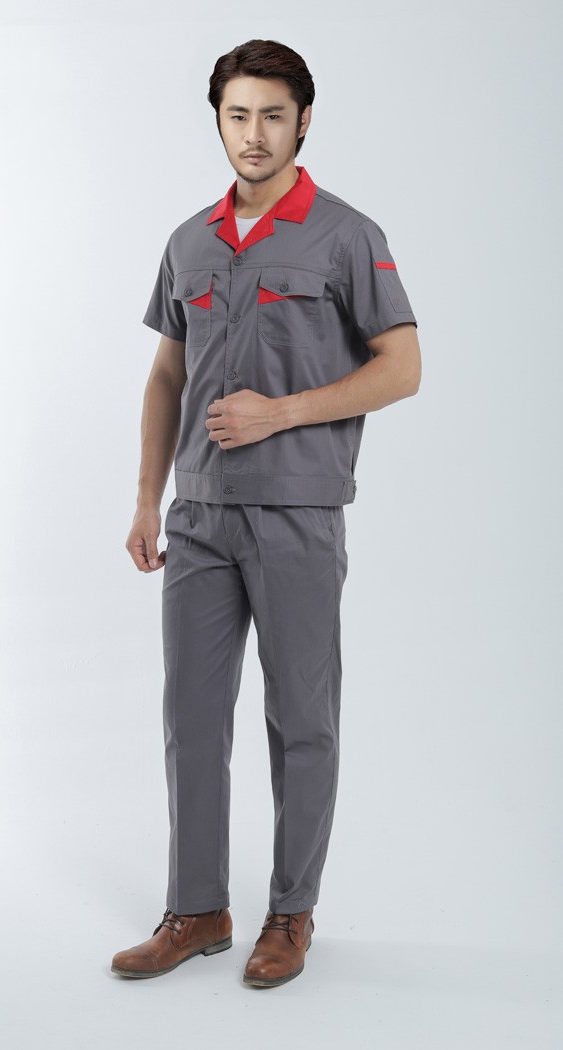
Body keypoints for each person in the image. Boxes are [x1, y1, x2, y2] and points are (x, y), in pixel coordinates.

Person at [112, 38, 421, 988]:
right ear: (219, 119)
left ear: (304, 121)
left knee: (302, 719)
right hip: (199, 515)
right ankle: (197, 908)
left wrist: (280, 413)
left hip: (297, 511)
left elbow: (402, 369)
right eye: (238, 114)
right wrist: (147, 499)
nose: (254, 134)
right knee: (192, 718)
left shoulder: (346, 236)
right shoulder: (188, 241)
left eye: (273, 116)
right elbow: (166, 375)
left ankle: (292, 914)